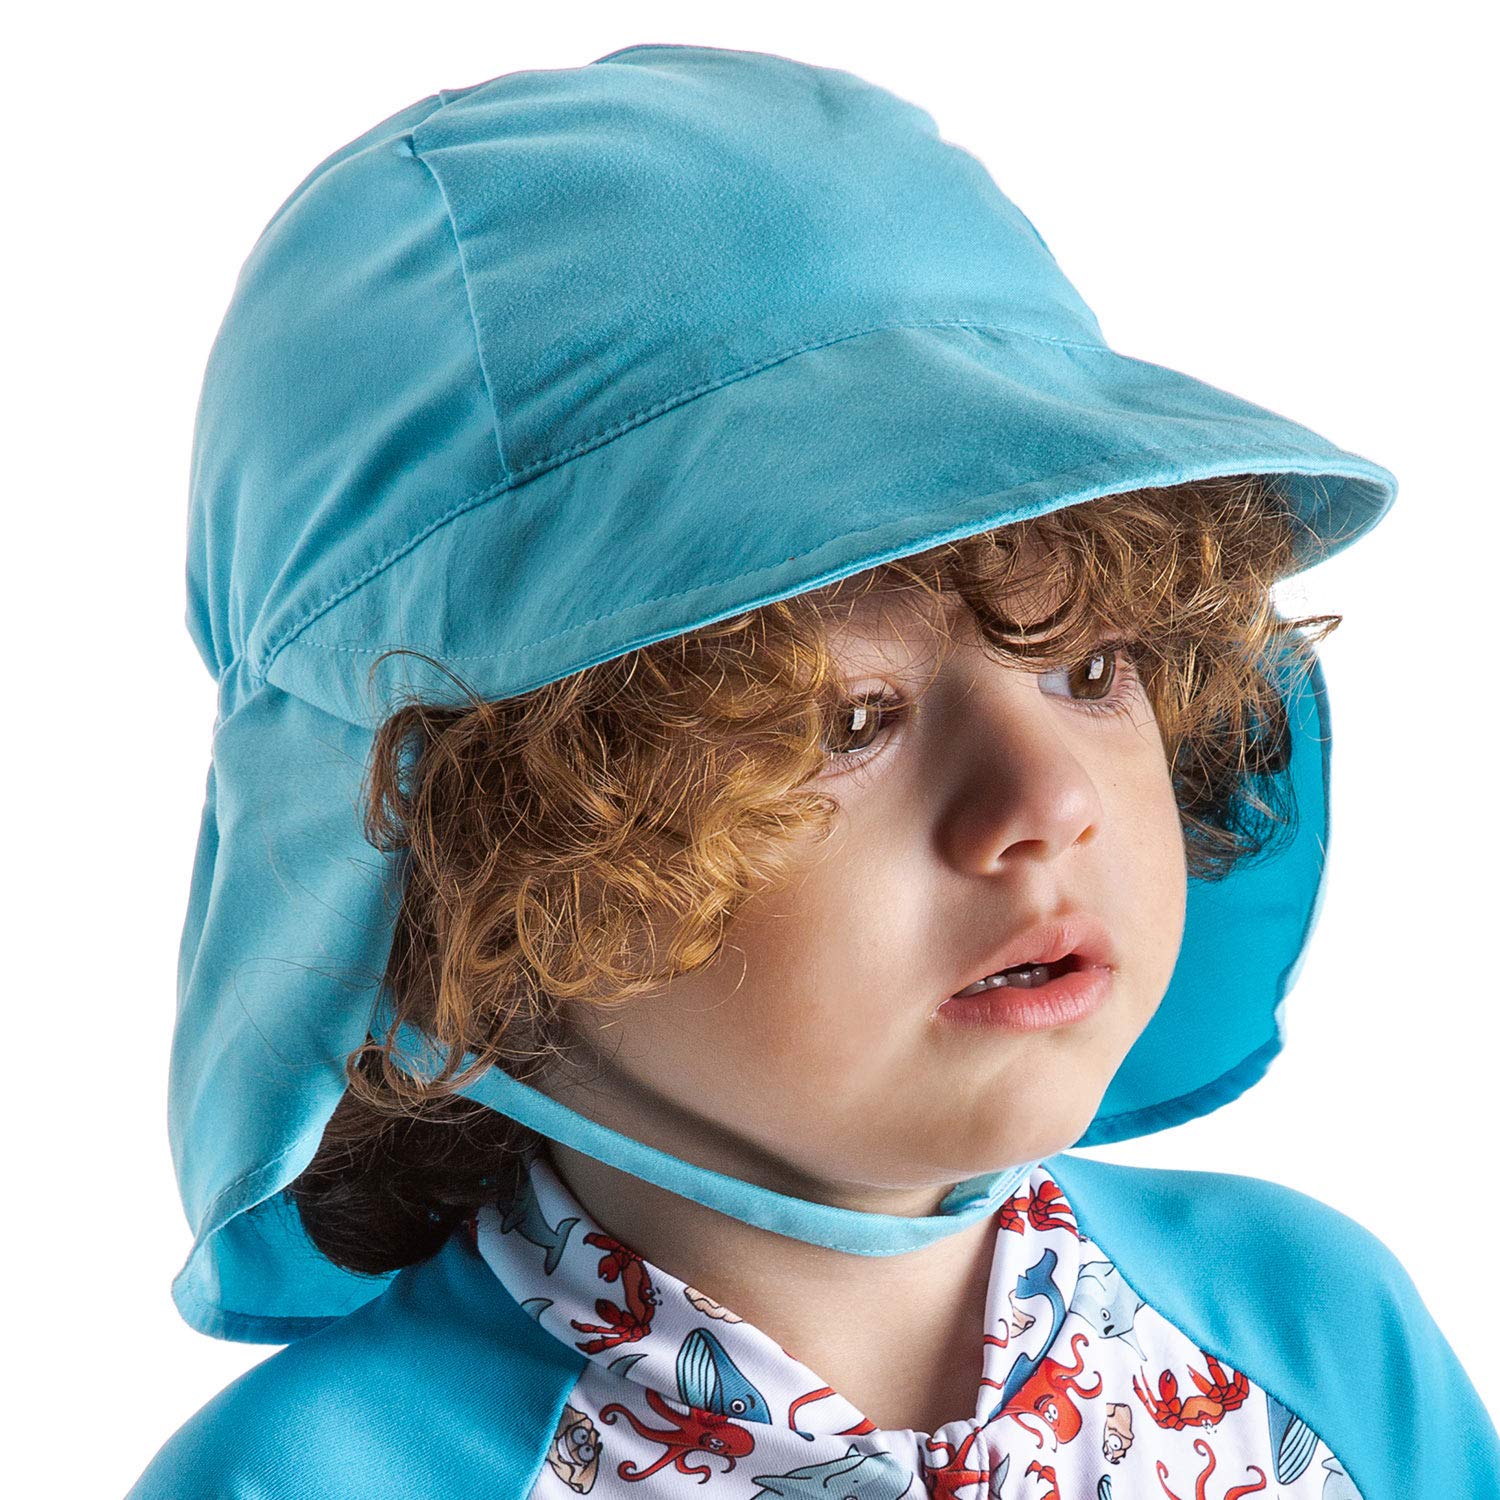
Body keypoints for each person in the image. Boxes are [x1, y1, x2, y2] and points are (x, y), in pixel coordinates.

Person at [126, 41, 1499, 1499]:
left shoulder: (1318, 1340)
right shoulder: (321, 1480)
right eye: (845, 723)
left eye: (1092, 670)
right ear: (477, 869)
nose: (1049, 803)